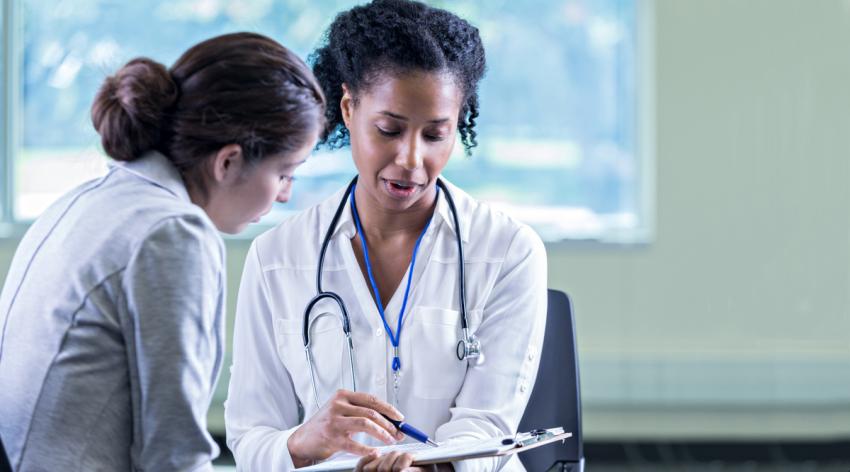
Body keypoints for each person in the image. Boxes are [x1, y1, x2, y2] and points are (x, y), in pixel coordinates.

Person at [224, 1, 548, 471]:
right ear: (349, 107)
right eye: (389, 130)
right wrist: (303, 441)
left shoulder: (508, 252)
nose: (411, 160)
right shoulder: (278, 257)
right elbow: (251, 437)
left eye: (435, 135)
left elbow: (487, 430)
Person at [0, 32, 325, 471]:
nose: (285, 195)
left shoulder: (87, 199)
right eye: (285, 173)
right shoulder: (173, 234)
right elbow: (174, 455)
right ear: (227, 161)